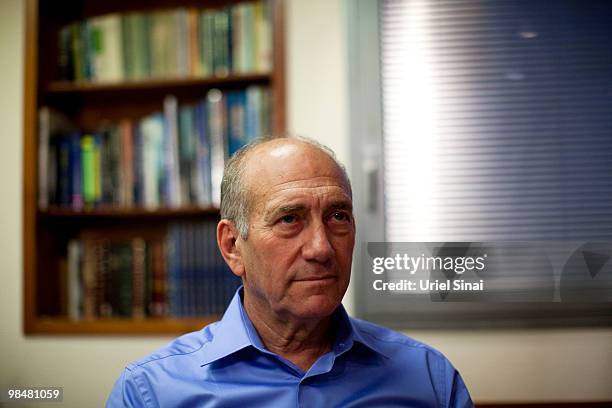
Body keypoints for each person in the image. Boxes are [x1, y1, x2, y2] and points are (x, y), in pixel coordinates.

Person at [107, 136, 473, 407]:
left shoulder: (429, 380)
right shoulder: (150, 392)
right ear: (233, 246)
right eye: (289, 219)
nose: (322, 248)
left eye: (338, 216)